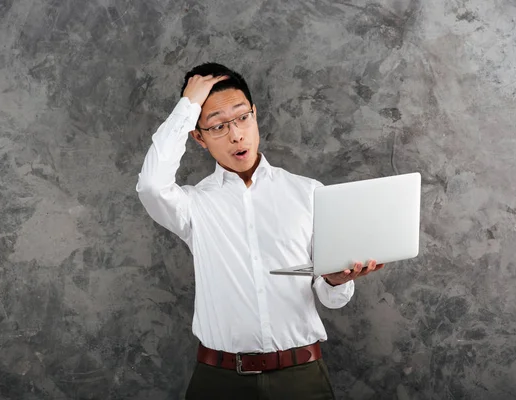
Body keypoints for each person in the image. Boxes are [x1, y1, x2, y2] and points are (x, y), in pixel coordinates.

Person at [136, 63, 385, 400]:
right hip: (220, 382)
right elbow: (151, 185)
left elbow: (329, 297)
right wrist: (188, 106)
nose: (236, 134)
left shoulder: (309, 193)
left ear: (255, 114)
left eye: (242, 118)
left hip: (302, 379)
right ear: (199, 137)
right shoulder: (192, 206)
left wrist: (335, 281)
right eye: (218, 126)